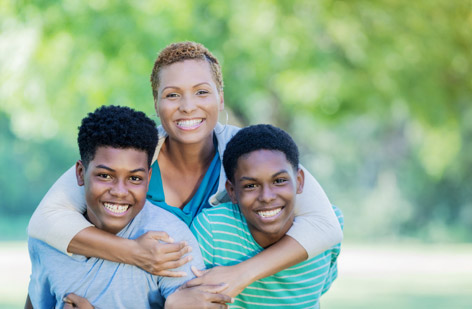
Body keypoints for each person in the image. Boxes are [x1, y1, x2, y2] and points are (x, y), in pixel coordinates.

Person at [27, 41, 343, 297]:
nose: (187, 106)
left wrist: (238, 276)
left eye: (202, 91)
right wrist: (134, 252)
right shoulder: (132, 157)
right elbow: (45, 221)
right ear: (156, 103)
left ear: (221, 98)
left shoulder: (245, 152)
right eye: (172, 94)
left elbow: (324, 226)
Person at [27, 105, 218, 308]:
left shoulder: (170, 241)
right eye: (105, 176)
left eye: (134, 178)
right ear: (80, 173)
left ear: (148, 178)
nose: (119, 191)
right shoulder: (48, 242)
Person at [191, 124, 343, 308]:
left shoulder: (331, 224)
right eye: (251, 186)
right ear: (232, 191)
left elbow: (319, 289)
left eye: (279, 181)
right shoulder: (212, 230)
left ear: (300, 181)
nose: (267, 197)